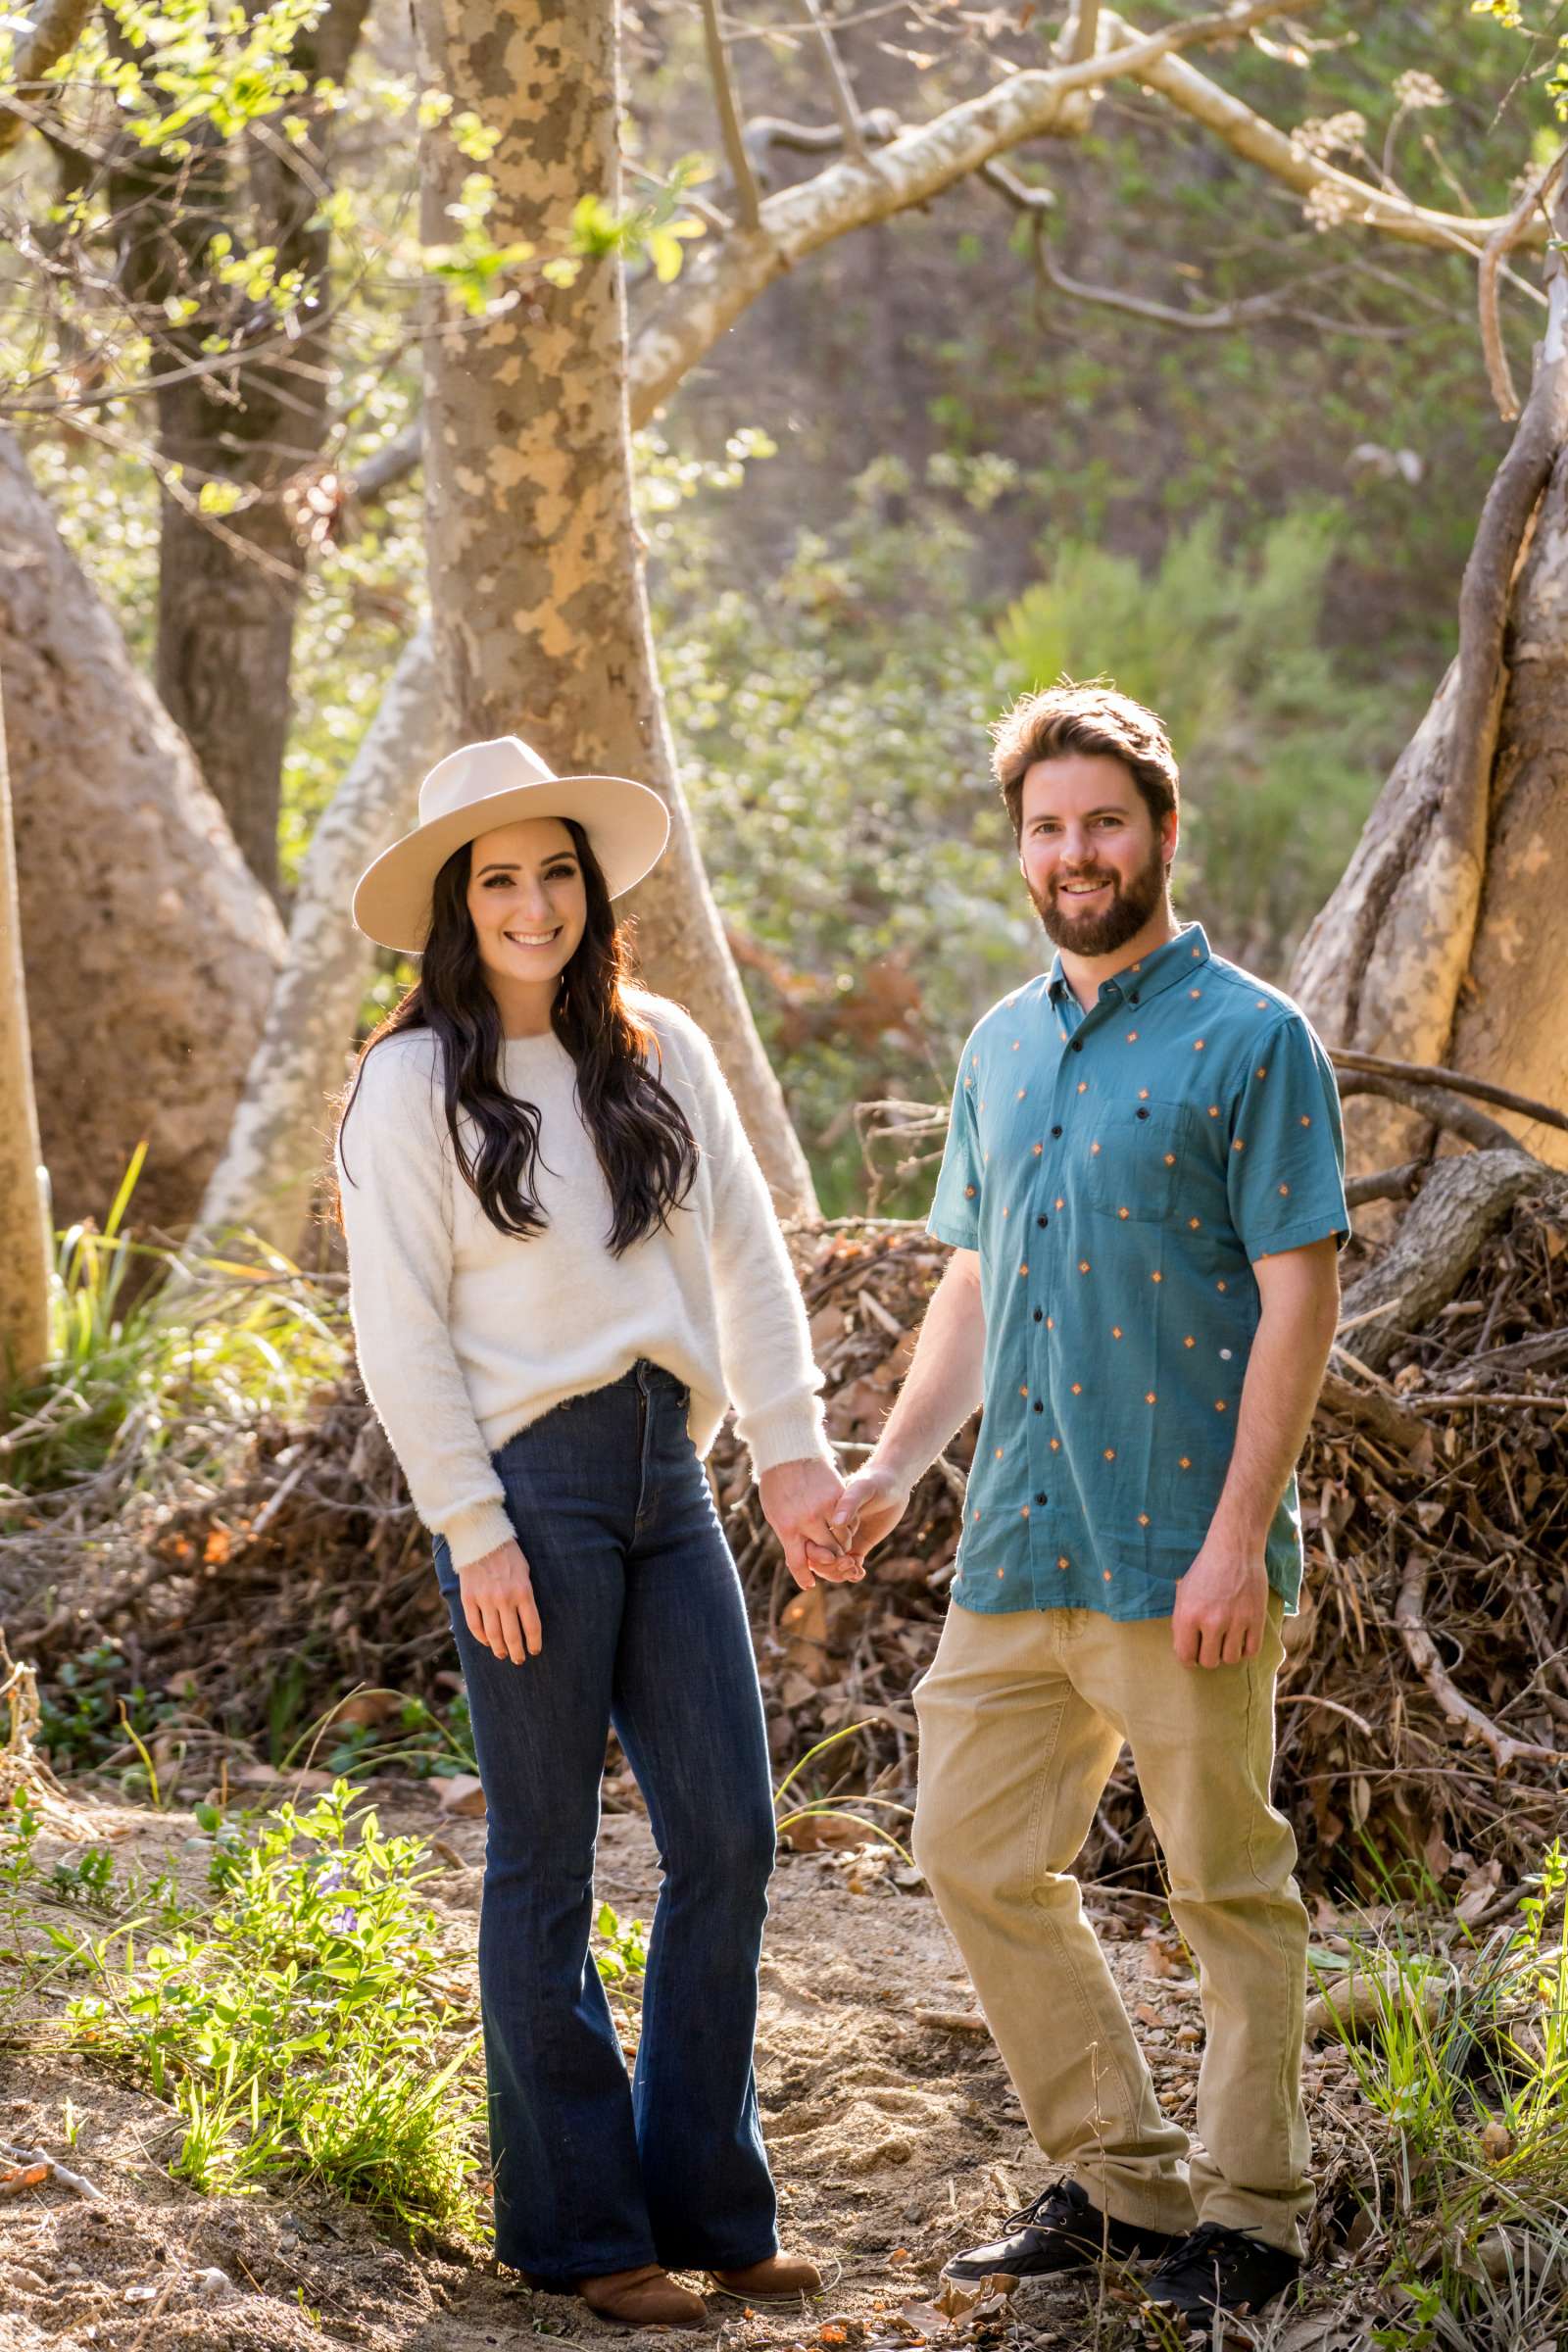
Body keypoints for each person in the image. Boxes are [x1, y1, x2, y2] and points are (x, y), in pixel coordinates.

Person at [833, 683, 1348, 2327]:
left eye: (1103, 822)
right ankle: (1123, 2183)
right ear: (1024, 848)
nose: (1076, 853)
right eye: (1048, 828)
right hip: (1020, 1539)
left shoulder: (1254, 1039)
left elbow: (1299, 1299)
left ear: (1163, 832)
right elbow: (976, 1279)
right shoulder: (997, 1043)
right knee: (973, 1852)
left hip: (1180, 1548)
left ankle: (1252, 2218)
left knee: (1226, 1889)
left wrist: (1234, 1540)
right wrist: (895, 1468)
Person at [336, 735, 858, 2327]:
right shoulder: (413, 1081)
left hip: (666, 1474)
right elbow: (398, 1329)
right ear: (455, 902)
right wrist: (472, 1526)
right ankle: (579, 2230)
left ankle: (709, 2200)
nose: (533, 900)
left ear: (588, 888)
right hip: (529, 1495)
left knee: (728, 1837)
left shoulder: (659, 1047)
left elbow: (752, 1261)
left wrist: (790, 1453)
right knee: (545, 1858)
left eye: (554, 870)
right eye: (498, 878)